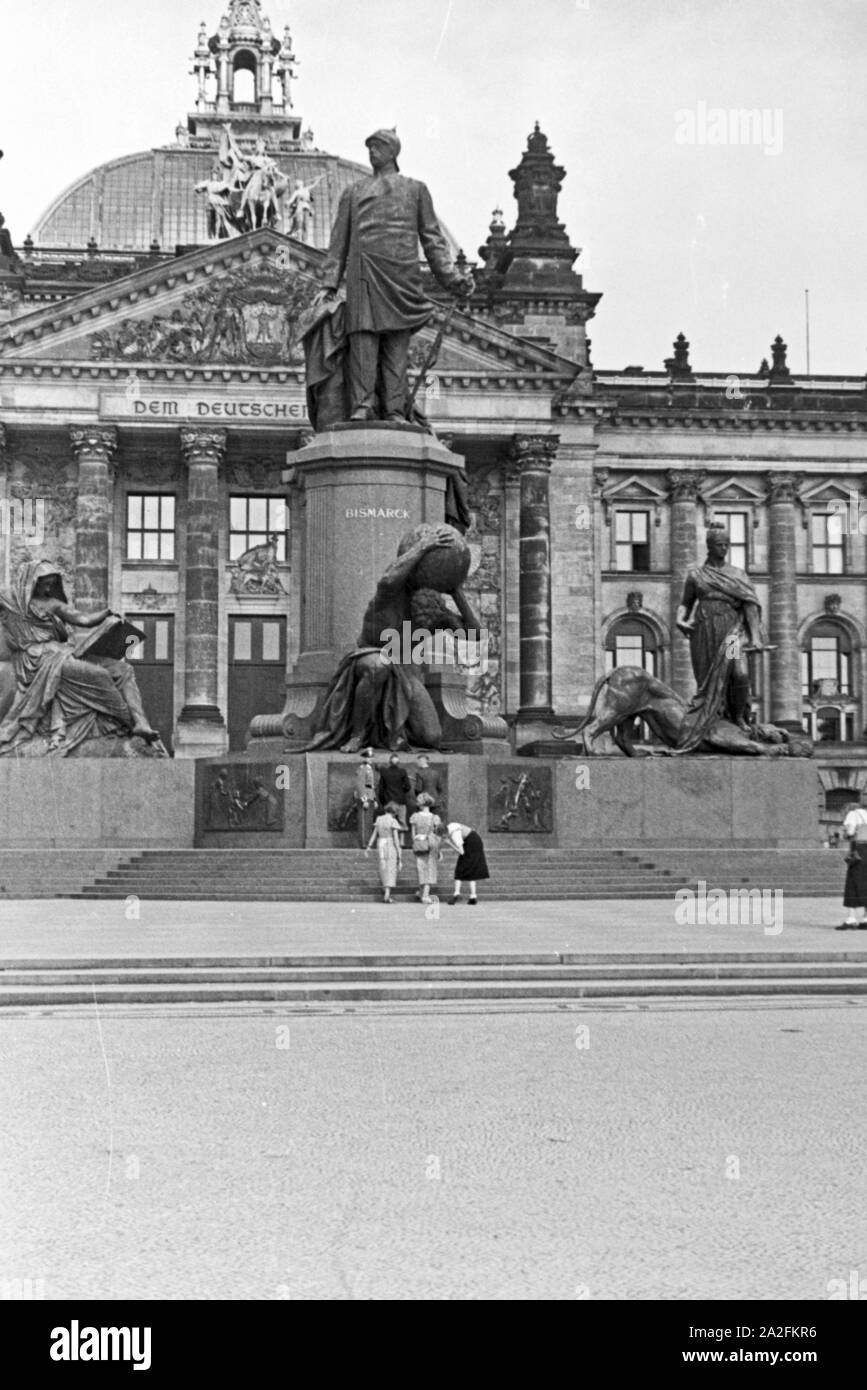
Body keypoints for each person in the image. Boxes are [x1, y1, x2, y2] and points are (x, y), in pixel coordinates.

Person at [315, 128, 473, 422]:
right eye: (369, 148)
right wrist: (329, 284)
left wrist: (450, 277)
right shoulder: (352, 192)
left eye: (377, 147)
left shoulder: (416, 190)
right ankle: (362, 406)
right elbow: (338, 243)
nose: (372, 153)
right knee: (363, 341)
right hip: (362, 275)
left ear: (392, 152)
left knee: (395, 349)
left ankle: (394, 410)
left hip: (401, 277)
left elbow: (432, 239)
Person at [0, 560, 157, 755]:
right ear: (33, 581)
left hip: (62, 653)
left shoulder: (52, 603)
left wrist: (105, 615)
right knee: (98, 674)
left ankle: (141, 723)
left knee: (124, 669)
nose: (48, 587)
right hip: (39, 660)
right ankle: (125, 722)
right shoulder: (10, 601)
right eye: (44, 583)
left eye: (51, 583)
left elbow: (82, 619)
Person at [674, 522, 771, 753]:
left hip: (731, 634)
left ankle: (738, 718)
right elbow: (685, 604)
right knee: (708, 681)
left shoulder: (738, 574)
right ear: (709, 546)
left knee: (740, 673)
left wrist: (755, 637)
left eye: (727, 544)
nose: (724, 548)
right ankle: (712, 721)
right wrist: (680, 620)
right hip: (704, 632)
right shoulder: (696, 575)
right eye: (720, 544)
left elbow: (750, 605)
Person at [364, 800, 403, 904]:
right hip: (390, 845)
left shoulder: (379, 819)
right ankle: (387, 895)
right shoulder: (393, 821)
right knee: (390, 869)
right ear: (394, 812)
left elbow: (374, 834)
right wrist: (399, 852)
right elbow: (396, 839)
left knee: (383, 867)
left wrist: (369, 846)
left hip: (380, 844)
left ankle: (384, 890)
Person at [443, 821, 490, 906]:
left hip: (472, 843)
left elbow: (461, 852)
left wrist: (449, 843)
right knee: (468, 868)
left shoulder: (454, 835)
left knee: (461, 869)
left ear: (445, 833)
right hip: (473, 840)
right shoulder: (451, 826)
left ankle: (457, 894)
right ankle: (473, 896)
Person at [408, 793, 443, 904]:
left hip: (419, 845)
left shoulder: (415, 817)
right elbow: (438, 835)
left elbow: (413, 835)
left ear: (421, 804)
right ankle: (425, 895)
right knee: (430, 870)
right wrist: (439, 850)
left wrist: (419, 838)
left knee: (421, 869)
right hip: (431, 846)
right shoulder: (435, 818)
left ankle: (421, 892)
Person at [838, 801, 867, 929]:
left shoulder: (853, 814)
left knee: (852, 883)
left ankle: (851, 918)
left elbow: (850, 832)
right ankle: (866, 919)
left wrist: (845, 834)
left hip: (859, 851)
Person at [377, 752, 411, 840]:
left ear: (389, 762)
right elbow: (408, 787)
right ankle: (401, 841)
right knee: (402, 821)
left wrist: (382, 800)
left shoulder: (384, 772)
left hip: (388, 801)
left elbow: (381, 789)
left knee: (389, 821)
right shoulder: (403, 772)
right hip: (401, 800)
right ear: (398, 762)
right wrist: (401, 792)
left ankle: (390, 838)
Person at [353, 746, 378, 849]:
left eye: (371, 757)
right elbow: (360, 785)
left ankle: (368, 843)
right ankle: (364, 843)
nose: (370, 759)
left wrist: (374, 799)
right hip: (365, 799)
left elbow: (370, 786)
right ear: (364, 758)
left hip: (370, 797)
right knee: (363, 823)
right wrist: (364, 799)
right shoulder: (362, 769)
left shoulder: (369, 769)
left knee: (368, 822)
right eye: (368, 758)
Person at [409, 752, 445, 817]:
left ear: (421, 761)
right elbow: (440, 788)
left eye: (417, 761)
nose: (417, 763)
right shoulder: (436, 772)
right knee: (435, 822)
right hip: (435, 801)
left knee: (423, 821)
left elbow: (418, 789)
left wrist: (417, 796)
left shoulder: (419, 773)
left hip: (424, 802)